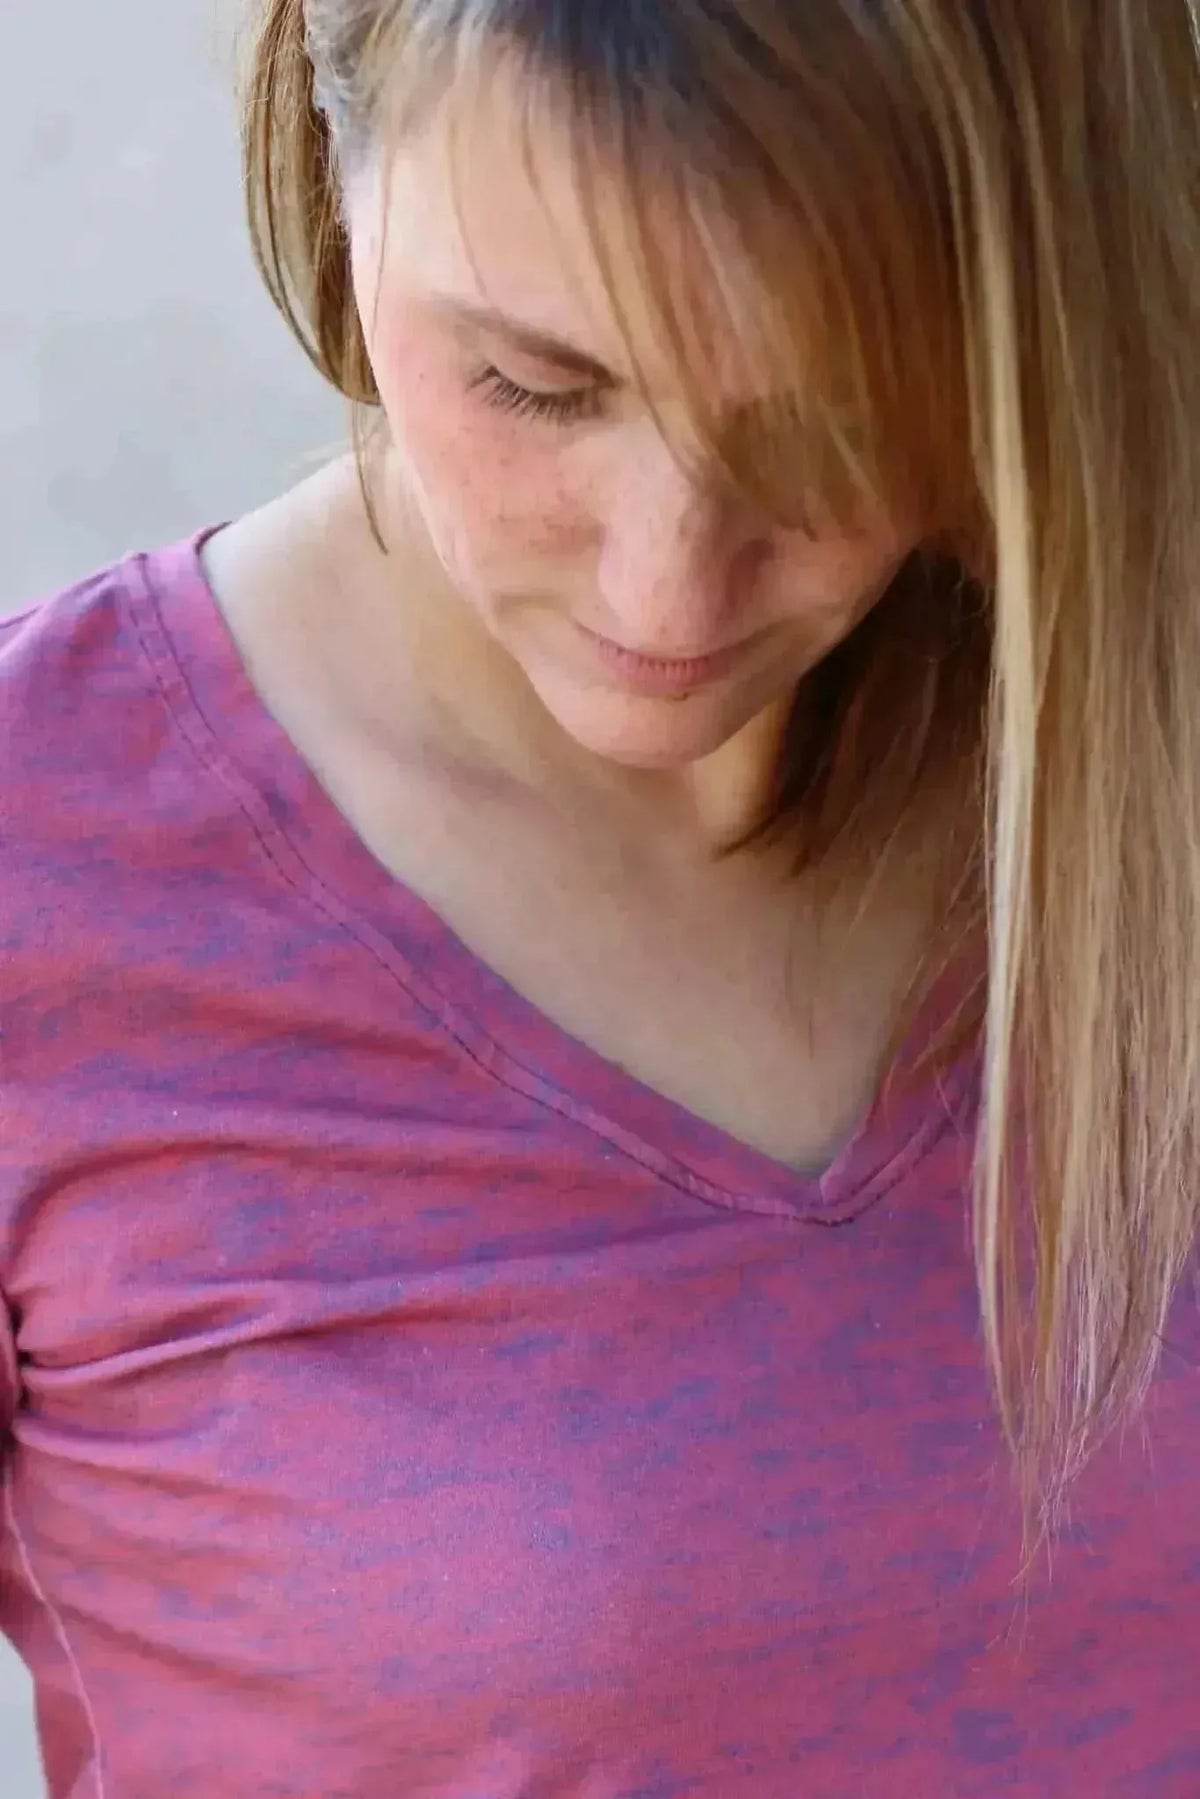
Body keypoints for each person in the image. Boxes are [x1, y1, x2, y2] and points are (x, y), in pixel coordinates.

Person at [2, 2, 1197, 1793]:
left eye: (839, 423)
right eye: (534, 386)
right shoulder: (45, 866)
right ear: (334, 148)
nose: (667, 594)